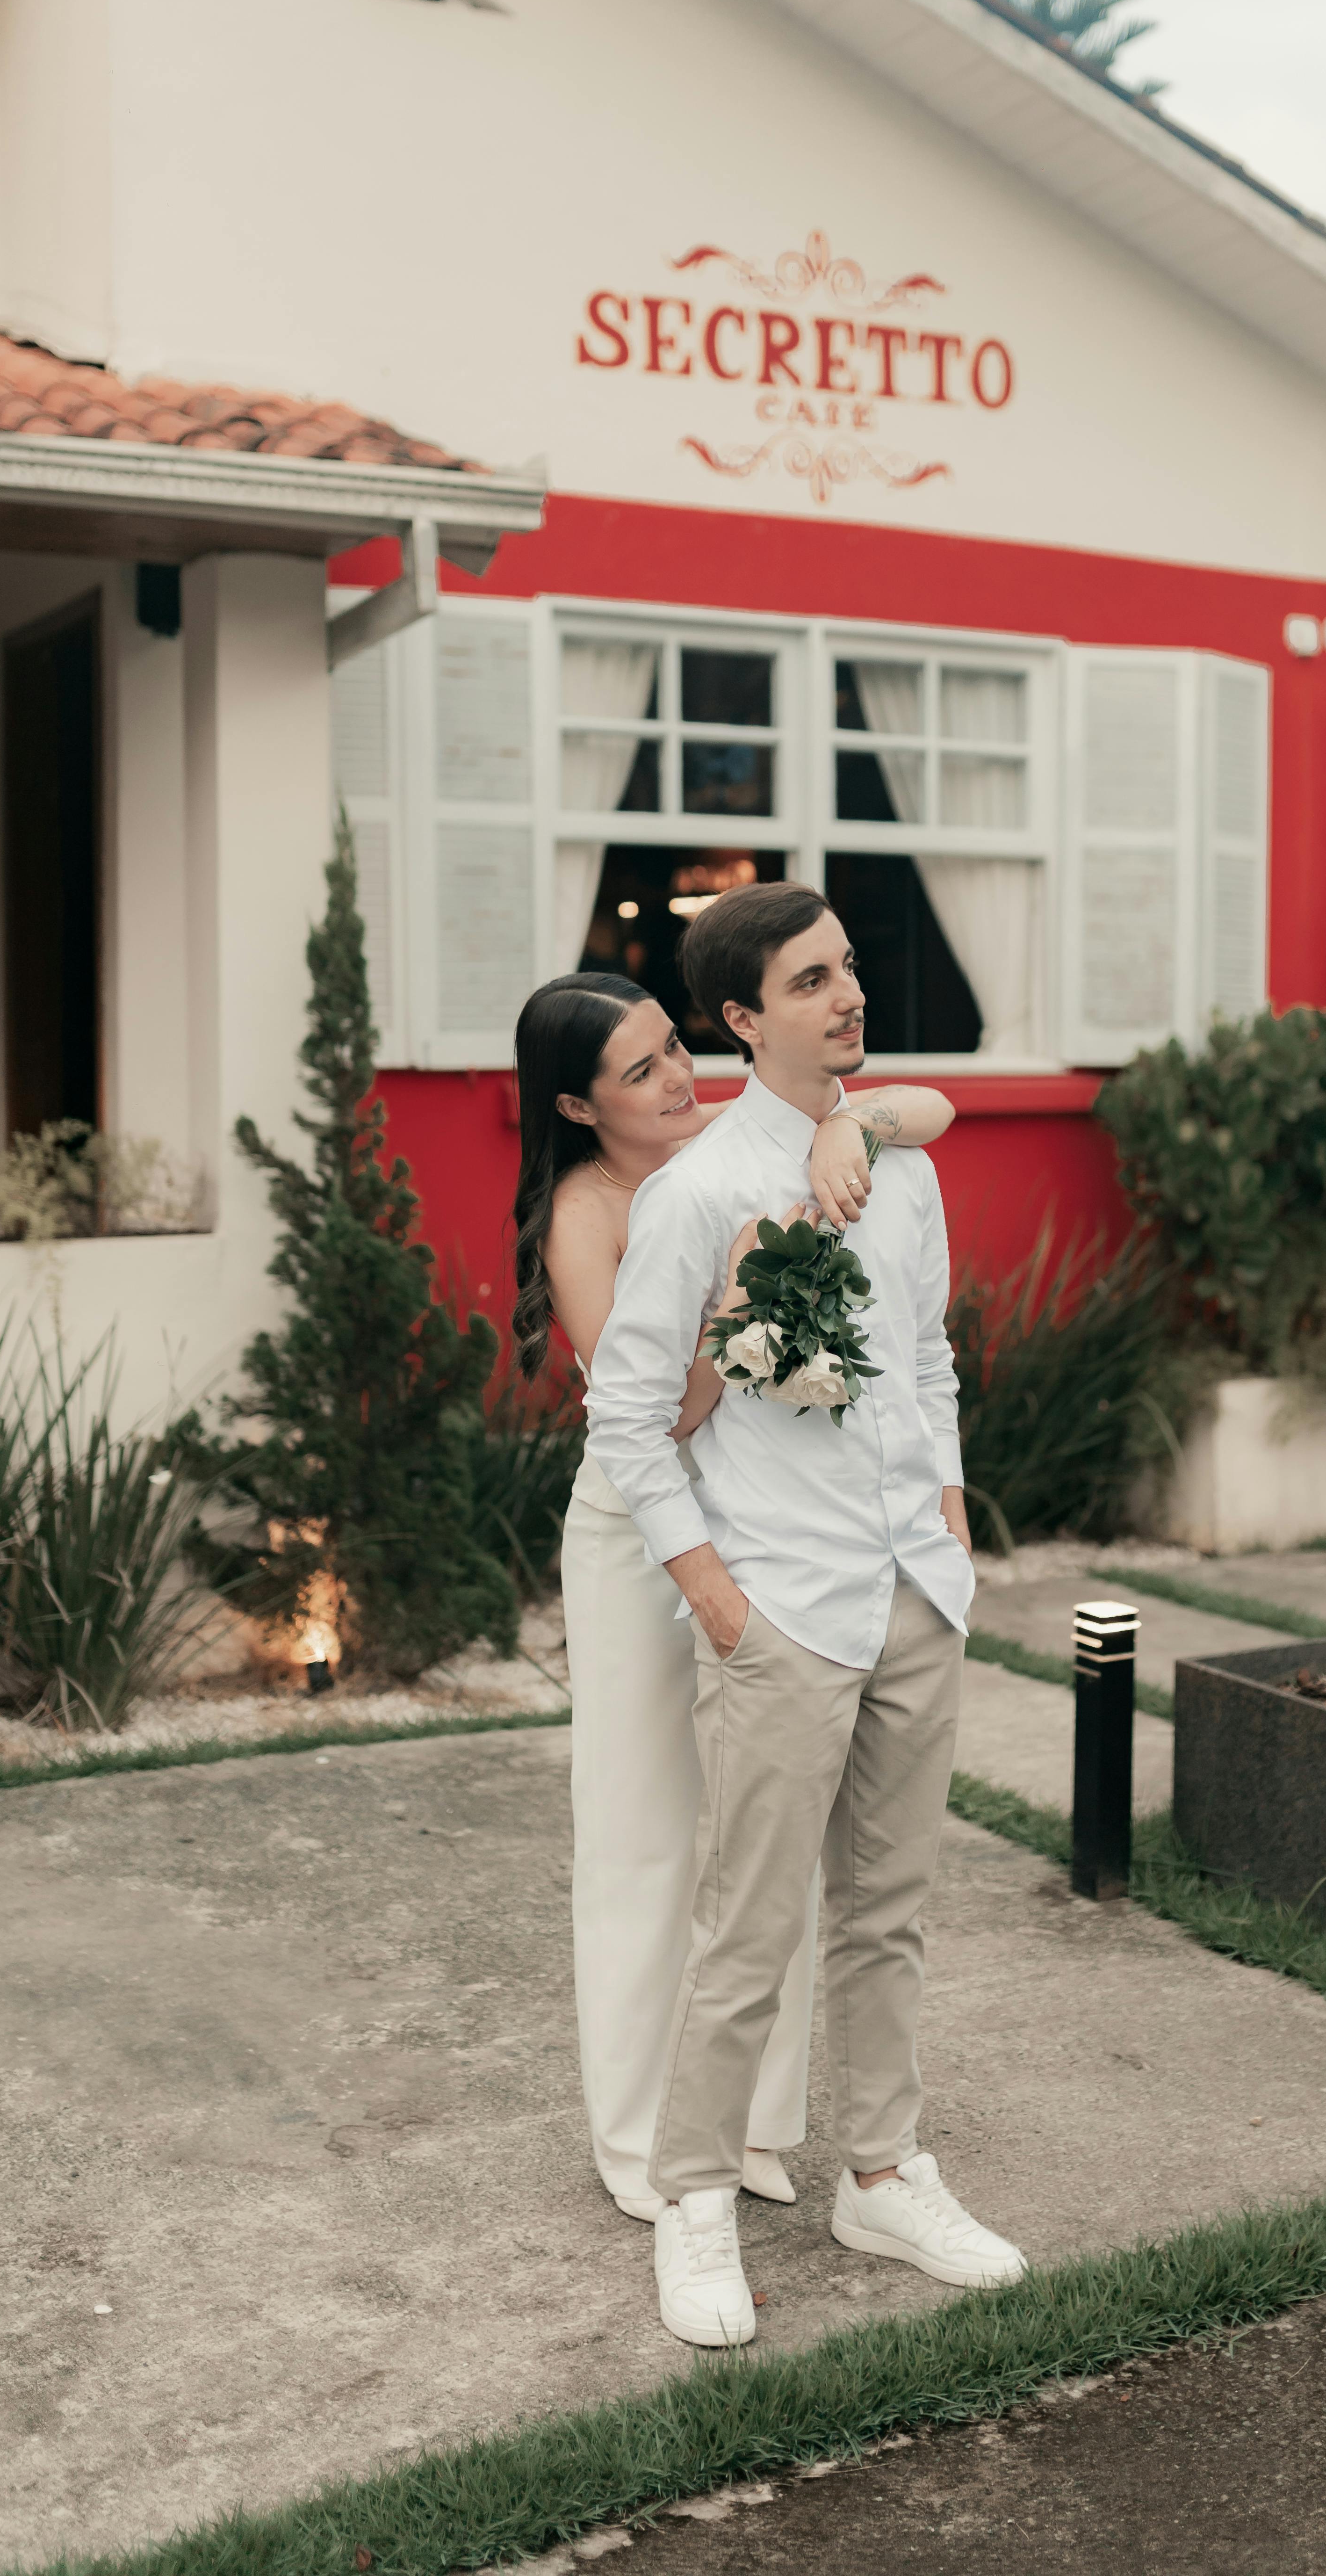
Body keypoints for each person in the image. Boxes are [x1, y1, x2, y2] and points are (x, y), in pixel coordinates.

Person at [584, 884, 1027, 2349]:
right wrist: (713, 1597)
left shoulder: (897, 1162)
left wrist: (951, 1510)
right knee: (751, 1924)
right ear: (740, 1017)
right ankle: (697, 2195)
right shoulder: (699, 1193)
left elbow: (930, 1355)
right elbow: (630, 1421)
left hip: (915, 1590)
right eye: (810, 980)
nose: (847, 996)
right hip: (781, 1607)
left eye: (847, 969)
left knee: (889, 1918)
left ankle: (884, 2174)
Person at [510, 968, 956, 2223]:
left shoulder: (722, 1139)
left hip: (761, 1530)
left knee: (771, 1831)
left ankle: (756, 2128)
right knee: (651, 1834)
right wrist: (742, 1289)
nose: (678, 1080)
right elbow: (663, 1412)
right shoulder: (590, 1213)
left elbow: (927, 1105)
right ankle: (642, 2140)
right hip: (641, 1546)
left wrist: (847, 1123)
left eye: (674, 1049)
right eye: (642, 1071)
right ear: (577, 1106)